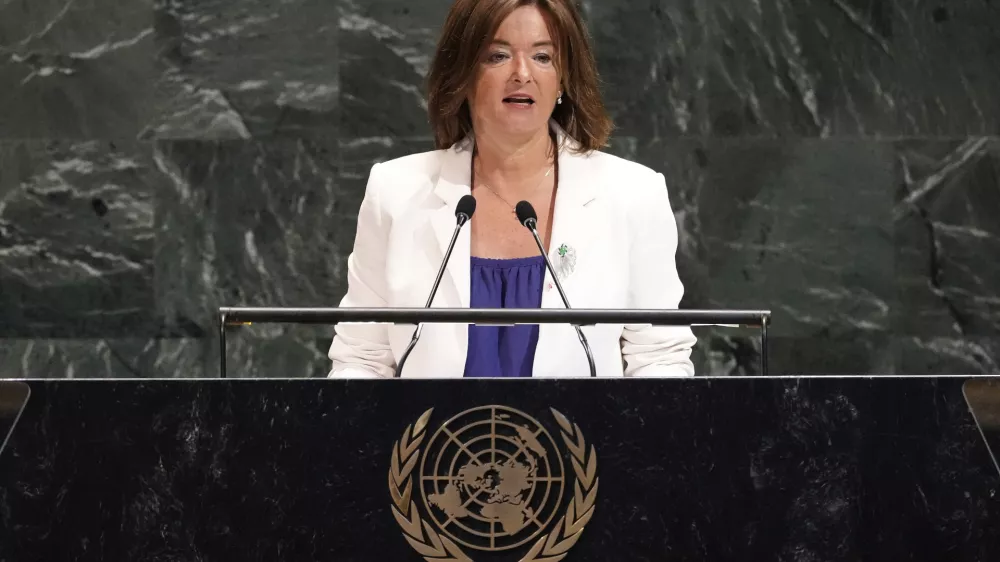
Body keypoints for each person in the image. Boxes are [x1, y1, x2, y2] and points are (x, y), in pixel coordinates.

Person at [327, 0, 696, 378]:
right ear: (463, 75)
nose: (522, 74)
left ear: (563, 80)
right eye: (498, 56)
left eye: (543, 57)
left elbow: (659, 360)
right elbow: (362, 358)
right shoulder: (396, 191)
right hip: (431, 438)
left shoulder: (632, 194)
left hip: (581, 438)